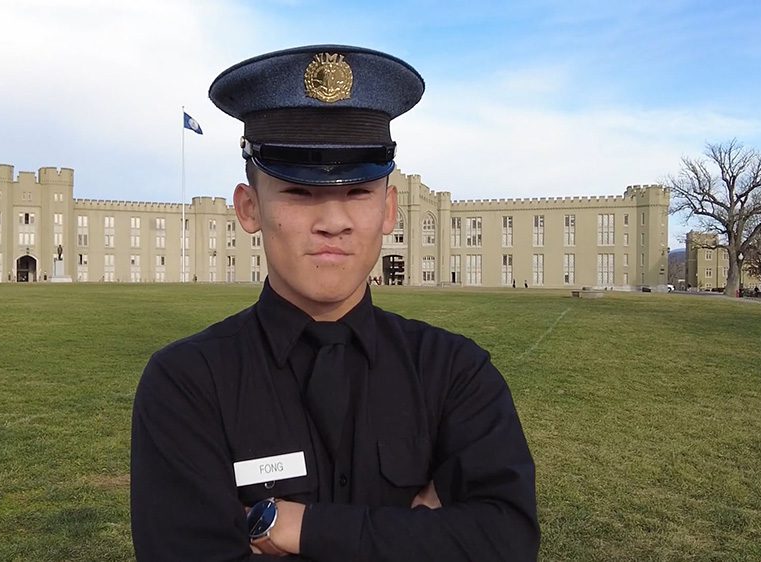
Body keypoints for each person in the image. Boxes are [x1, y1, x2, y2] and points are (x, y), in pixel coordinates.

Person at [130, 44, 539, 561]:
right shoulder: (188, 385)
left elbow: (507, 544)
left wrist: (298, 527)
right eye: (299, 193)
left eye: (359, 191)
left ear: (389, 209)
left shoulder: (454, 374)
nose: (333, 221)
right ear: (249, 207)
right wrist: (416, 536)